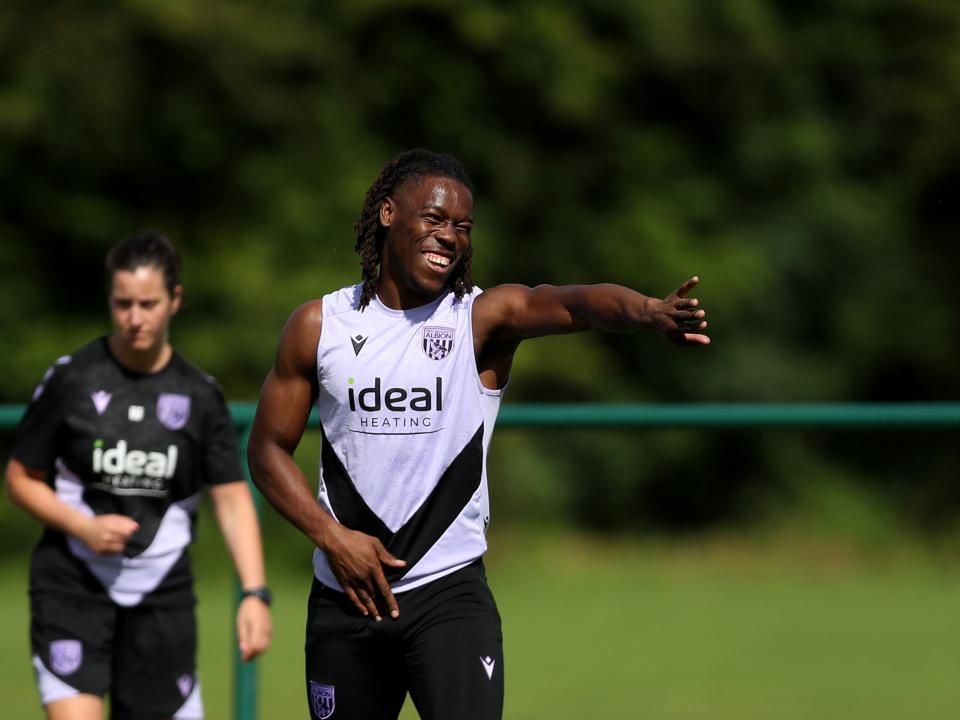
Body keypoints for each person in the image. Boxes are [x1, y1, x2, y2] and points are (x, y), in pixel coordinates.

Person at [246, 148, 709, 720]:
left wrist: (647, 311)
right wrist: (334, 540)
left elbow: (572, 303)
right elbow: (266, 451)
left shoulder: (479, 319)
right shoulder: (320, 325)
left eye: (462, 227)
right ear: (388, 214)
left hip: (448, 598)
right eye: (435, 219)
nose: (450, 236)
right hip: (346, 600)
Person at [5, 233, 272, 720]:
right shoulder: (71, 379)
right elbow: (20, 478)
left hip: (161, 599)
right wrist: (83, 527)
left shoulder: (199, 396)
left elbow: (233, 501)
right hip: (73, 590)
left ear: (175, 300)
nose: (134, 318)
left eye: (147, 304)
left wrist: (255, 593)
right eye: (122, 303)